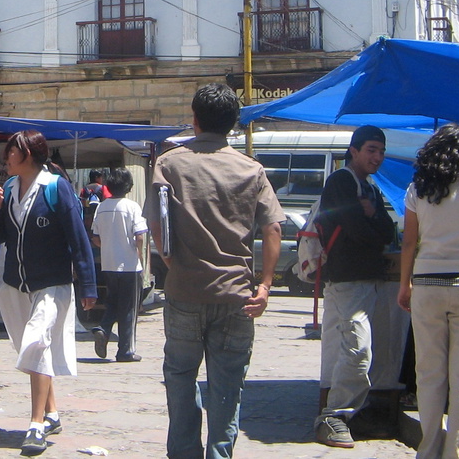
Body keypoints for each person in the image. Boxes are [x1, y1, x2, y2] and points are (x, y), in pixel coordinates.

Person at [144, 83, 285, 459]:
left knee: (179, 376)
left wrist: (174, 263)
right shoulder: (251, 169)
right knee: (227, 386)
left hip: (185, 291)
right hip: (237, 296)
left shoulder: (169, 163)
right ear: (234, 124)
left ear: (194, 120)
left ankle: (184, 452)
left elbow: (157, 225)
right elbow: (273, 228)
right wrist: (266, 286)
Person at [0, 130, 97, 456]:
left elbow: (78, 238)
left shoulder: (55, 187)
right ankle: (52, 413)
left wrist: (88, 285)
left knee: (36, 343)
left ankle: (35, 425)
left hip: (52, 284)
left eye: (12, 151)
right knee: (34, 350)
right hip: (15, 286)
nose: (7, 157)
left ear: (29, 156)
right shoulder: (8, 188)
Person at [398, 123, 459, 459]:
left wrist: (404, 284)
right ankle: (458, 453)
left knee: (429, 374)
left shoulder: (417, 190)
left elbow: (410, 241)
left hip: (426, 283)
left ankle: (428, 450)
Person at [314, 125, 395, 448]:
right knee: (357, 350)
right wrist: (373, 223)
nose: (377, 157)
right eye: (372, 150)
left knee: (356, 351)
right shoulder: (342, 182)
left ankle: (348, 413)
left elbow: (387, 231)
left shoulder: (370, 188)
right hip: (346, 278)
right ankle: (333, 416)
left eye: (381, 151)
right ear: (354, 150)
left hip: (367, 280)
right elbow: (360, 231)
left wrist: (373, 215)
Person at [90, 167, 148, 362]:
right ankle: (125, 350)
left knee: (113, 302)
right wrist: (138, 252)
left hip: (108, 264)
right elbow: (139, 236)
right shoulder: (132, 207)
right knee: (129, 308)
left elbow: (95, 238)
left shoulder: (102, 207)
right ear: (128, 186)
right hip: (129, 264)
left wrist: (107, 245)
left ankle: (103, 329)